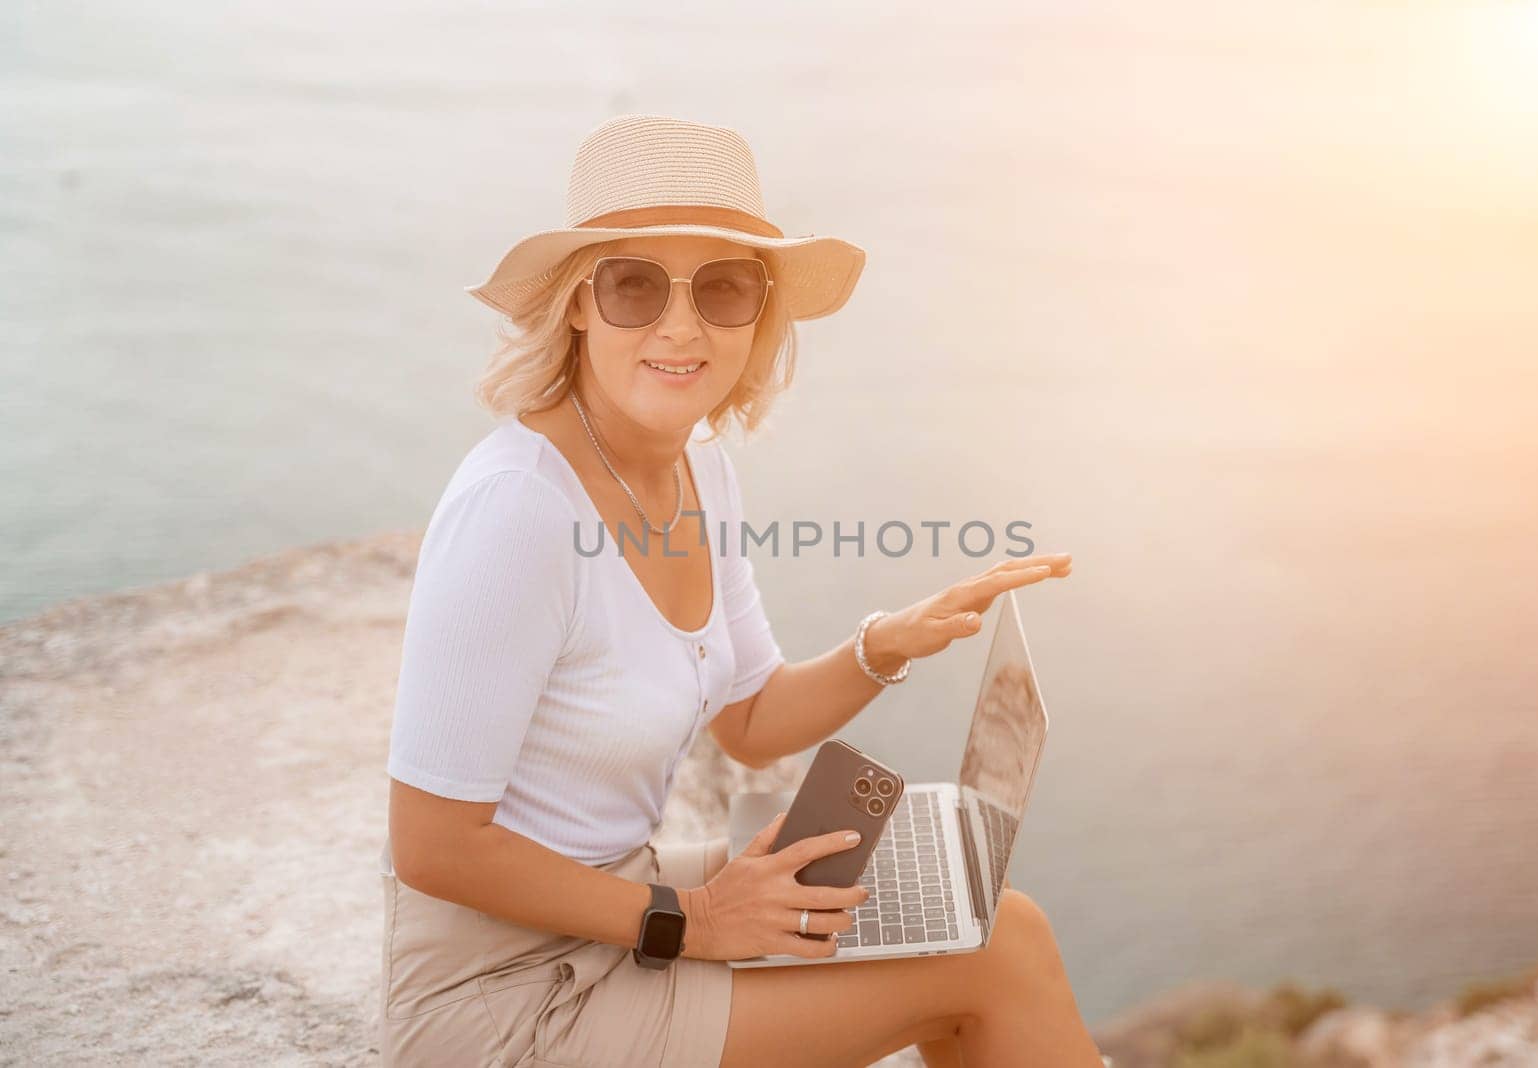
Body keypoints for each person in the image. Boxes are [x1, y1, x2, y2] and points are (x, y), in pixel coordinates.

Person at [378, 113, 1104, 1067]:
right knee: (991, 964)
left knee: (989, 918)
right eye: (635, 284)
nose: (681, 325)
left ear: (759, 316)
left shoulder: (701, 471)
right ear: (579, 305)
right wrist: (696, 918)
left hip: (614, 913)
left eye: (722, 287)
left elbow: (751, 718)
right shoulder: (518, 511)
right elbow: (434, 847)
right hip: (506, 997)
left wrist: (885, 644)